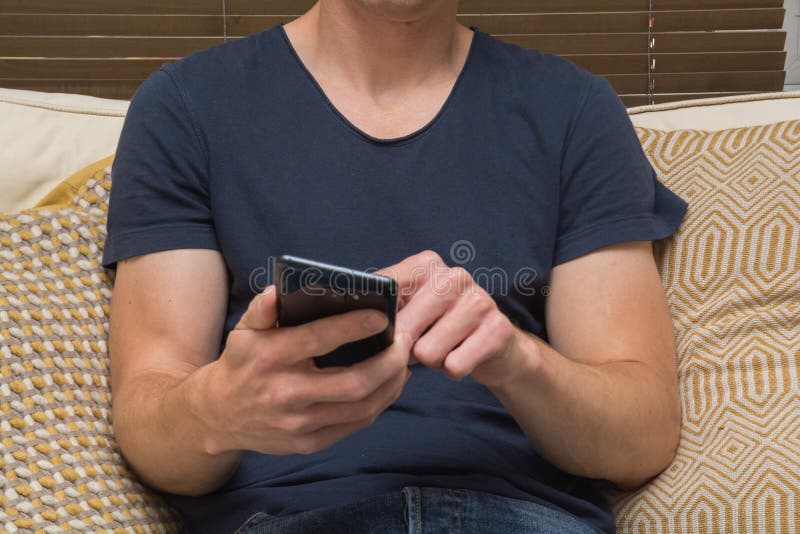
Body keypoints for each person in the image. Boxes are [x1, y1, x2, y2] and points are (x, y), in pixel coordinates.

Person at [102, 1, 687, 532]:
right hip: (286, 518)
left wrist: (517, 361)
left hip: (523, 516)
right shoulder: (187, 105)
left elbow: (641, 439)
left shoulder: (574, 109)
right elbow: (150, 427)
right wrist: (218, 409)